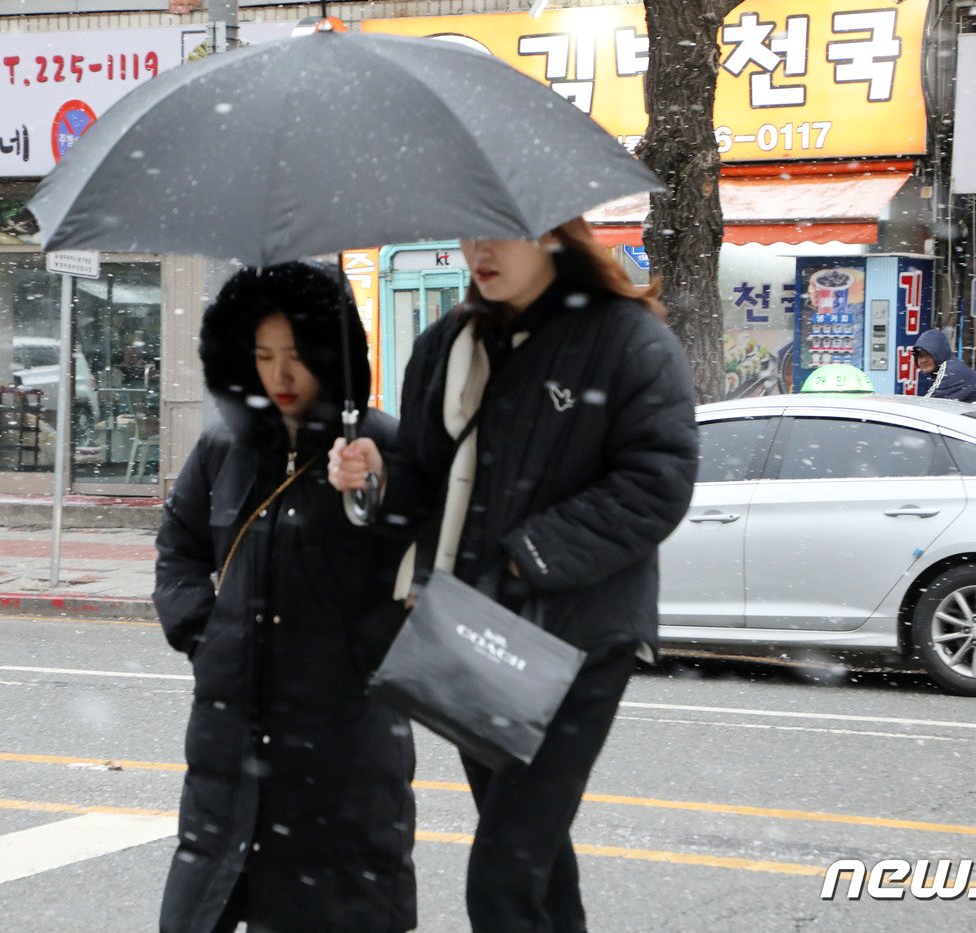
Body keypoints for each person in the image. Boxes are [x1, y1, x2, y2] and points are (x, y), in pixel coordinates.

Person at [328, 218, 699, 933]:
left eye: (500, 234)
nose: (479, 251)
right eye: (468, 235)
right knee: (536, 862)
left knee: (502, 874)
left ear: (554, 234)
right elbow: (422, 478)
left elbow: (659, 480)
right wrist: (373, 473)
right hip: (471, 626)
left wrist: (523, 553)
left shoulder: (626, 340)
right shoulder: (449, 343)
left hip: (578, 636)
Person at [154, 261, 416, 933]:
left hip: (343, 739)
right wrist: (201, 631)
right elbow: (180, 544)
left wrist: (373, 489)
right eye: (264, 355)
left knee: (333, 907)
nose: (281, 375)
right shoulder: (224, 446)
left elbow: (425, 559)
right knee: (206, 898)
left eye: (298, 355)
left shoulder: (383, 442)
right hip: (231, 727)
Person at [913, 329, 976, 405]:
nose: (923, 360)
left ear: (939, 352)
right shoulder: (947, 367)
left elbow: (927, 406)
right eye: (920, 356)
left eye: (928, 354)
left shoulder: (951, 371)